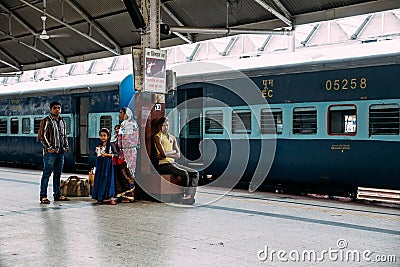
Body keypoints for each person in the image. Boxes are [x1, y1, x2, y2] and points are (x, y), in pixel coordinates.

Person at [154, 116, 199, 205]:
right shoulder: (157, 137)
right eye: (163, 125)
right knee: (184, 173)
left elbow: (178, 154)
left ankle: (189, 195)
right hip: (164, 165)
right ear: (160, 126)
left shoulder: (172, 138)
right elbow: (163, 155)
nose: (166, 127)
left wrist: (166, 153)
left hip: (173, 163)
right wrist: (171, 152)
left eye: (167, 125)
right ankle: (183, 195)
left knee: (195, 173)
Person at [38, 101, 70, 204]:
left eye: (59, 108)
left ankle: (57, 195)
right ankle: (43, 196)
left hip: (60, 152)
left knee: (58, 174)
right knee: (47, 174)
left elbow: (64, 135)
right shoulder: (46, 120)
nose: (57, 110)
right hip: (50, 153)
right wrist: (49, 147)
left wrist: (66, 146)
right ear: (51, 109)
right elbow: (42, 136)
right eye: (55, 108)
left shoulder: (62, 121)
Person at [113, 108, 139, 202]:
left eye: (121, 113)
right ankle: (124, 194)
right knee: (122, 172)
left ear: (126, 114)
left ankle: (130, 195)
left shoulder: (130, 124)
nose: (119, 115)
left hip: (129, 152)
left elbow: (128, 139)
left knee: (127, 173)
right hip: (123, 152)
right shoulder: (125, 124)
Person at [92, 128, 117, 205]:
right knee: (100, 178)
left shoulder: (111, 145)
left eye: (104, 135)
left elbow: (116, 154)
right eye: (101, 135)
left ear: (108, 136)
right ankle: (100, 197)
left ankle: (110, 197)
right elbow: (94, 153)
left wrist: (107, 155)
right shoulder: (99, 145)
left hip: (108, 165)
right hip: (100, 164)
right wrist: (96, 151)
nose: (103, 137)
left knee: (108, 179)